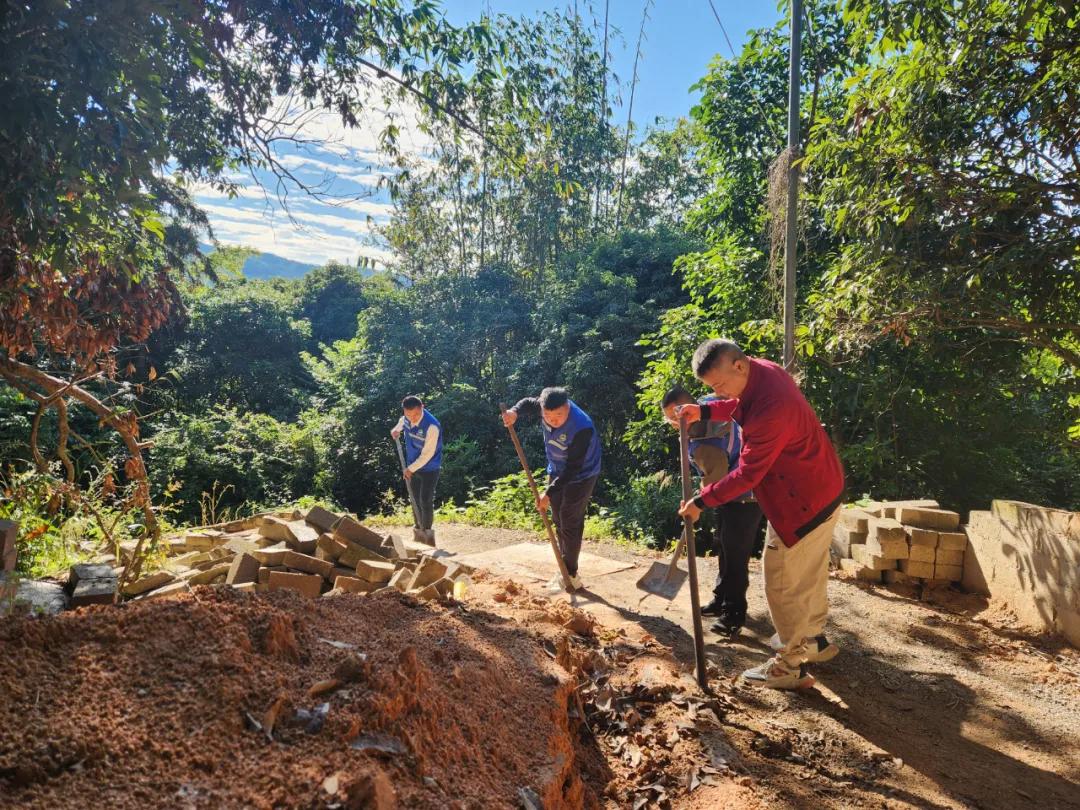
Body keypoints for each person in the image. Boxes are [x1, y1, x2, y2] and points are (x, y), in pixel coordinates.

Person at [677, 340, 844, 690]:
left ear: (738, 366)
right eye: (711, 388)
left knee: (782, 582)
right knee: (810, 573)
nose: (718, 392)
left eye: (719, 385)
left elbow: (748, 474)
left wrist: (701, 501)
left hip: (800, 502)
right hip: (823, 488)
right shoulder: (762, 371)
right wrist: (705, 412)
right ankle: (813, 640)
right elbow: (738, 403)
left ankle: (789, 665)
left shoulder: (772, 409)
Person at [661, 385, 763, 639]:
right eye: (670, 418)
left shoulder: (706, 443)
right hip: (730, 489)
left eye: (675, 417)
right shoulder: (704, 410)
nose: (673, 423)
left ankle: (733, 614)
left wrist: (696, 503)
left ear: (688, 411)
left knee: (735, 555)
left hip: (745, 495)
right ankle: (720, 599)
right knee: (723, 546)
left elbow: (716, 483)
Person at [502, 387, 601, 592]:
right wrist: (514, 412)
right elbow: (527, 403)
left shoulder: (582, 427)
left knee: (570, 519)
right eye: (547, 416)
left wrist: (548, 493)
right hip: (556, 469)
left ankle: (571, 574)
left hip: (582, 474)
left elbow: (572, 469)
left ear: (567, 407)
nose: (553, 420)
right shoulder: (543, 407)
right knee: (557, 517)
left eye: (558, 415)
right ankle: (563, 565)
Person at [391, 395, 442, 545]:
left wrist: (410, 469)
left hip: (429, 468)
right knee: (414, 499)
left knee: (425, 500)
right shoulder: (406, 418)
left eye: (416, 415)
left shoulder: (432, 426)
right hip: (412, 466)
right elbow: (401, 422)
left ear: (422, 408)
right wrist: (396, 430)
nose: (412, 419)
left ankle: (427, 531)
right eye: (409, 415)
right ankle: (418, 529)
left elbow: (427, 454)